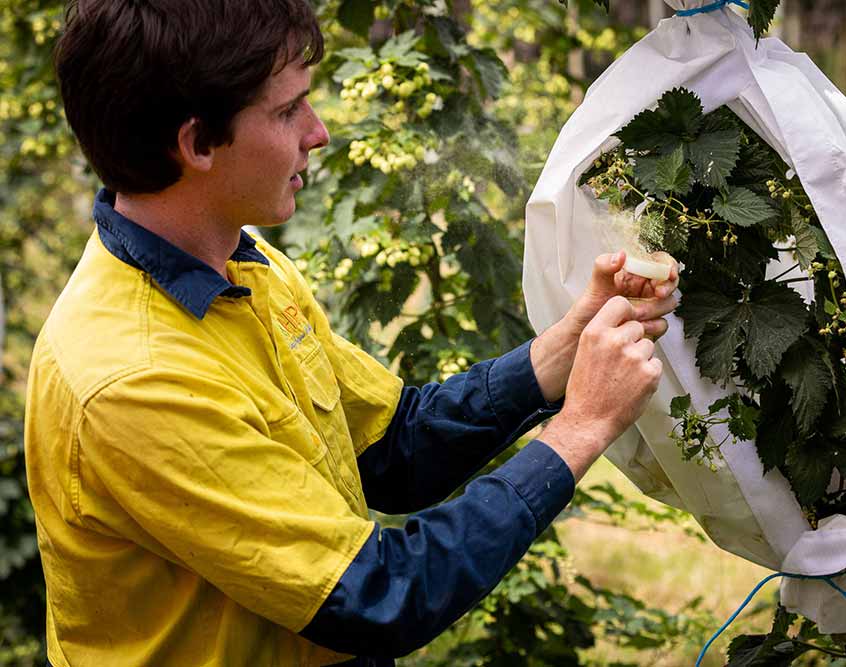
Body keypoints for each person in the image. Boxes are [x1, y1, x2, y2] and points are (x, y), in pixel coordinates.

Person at [24, 1, 680, 666]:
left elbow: (394, 448)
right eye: (287, 111)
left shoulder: (243, 267)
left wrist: (561, 355)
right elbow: (379, 593)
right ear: (196, 144)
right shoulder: (133, 380)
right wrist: (581, 428)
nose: (320, 131)